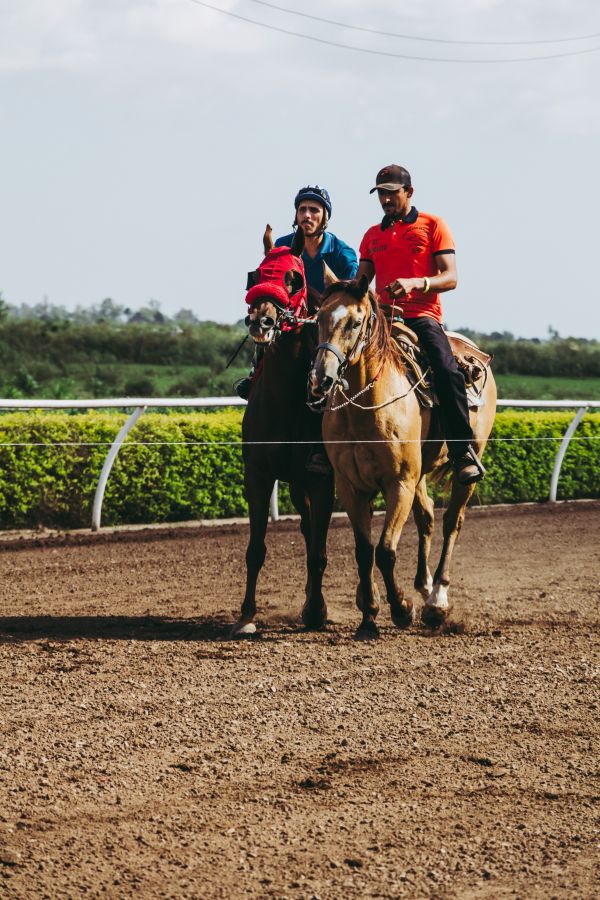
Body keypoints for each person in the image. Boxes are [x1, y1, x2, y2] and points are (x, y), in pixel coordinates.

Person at [357, 164, 486, 485]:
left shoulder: (434, 225)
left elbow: (451, 277)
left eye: (391, 192)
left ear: (409, 192)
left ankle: (461, 452)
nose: (385, 199)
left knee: (446, 370)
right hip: (381, 321)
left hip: (423, 317)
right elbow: (361, 282)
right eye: (381, 194)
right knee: (336, 362)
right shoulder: (372, 236)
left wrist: (417, 284)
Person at [236, 186, 357, 474]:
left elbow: (347, 294)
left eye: (314, 210)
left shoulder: (342, 252)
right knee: (265, 323)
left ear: (325, 216)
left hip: (324, 326)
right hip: (289, 323)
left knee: (323, 363)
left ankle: (325, 443)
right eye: (302, 209)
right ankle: (255, 375)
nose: (307, 215)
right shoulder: (283, 244)